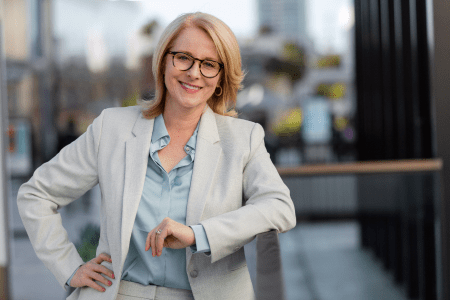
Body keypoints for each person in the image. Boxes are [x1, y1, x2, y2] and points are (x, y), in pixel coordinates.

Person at [17, 12, 296, 300]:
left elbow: (279, 207)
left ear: (222, 77)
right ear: (164, 61)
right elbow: (36, 194)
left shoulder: (242, 138)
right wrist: (69, 267)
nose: (194, 73)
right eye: (183, 57)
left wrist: (197, 234)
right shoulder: (111, 128)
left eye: (209, 64)